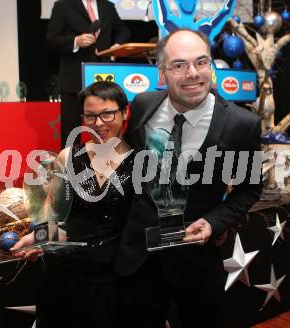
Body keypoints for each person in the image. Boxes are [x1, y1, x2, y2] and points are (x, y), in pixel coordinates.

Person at [115, 29, 263, 328]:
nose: (193, 74)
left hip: (194, 263)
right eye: (179, 65)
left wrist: (214, 222)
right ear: (162, 73)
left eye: (201, 62)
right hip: (137, 260)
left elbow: (250, 189)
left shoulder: (241, 124)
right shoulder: (144, 104)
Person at [11, 81, 133, 328]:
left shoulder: (141, 161)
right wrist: (39, 237)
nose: (99, 123)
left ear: (125, 112)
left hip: (111, 279)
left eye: (107, 113)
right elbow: (52, 211)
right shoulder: (67, 157)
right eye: (90, 116)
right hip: (63, 272)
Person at [47, 0, 130, 148]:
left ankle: (111, 163)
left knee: (107, 124)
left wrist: (117, 46)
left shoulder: (108, 6)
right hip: (74, 78)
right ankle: (70, 166)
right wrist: (75, 41)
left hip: (104, 76)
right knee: (71, 130)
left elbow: (123, 31)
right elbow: (52, 39)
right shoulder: (63, 5)